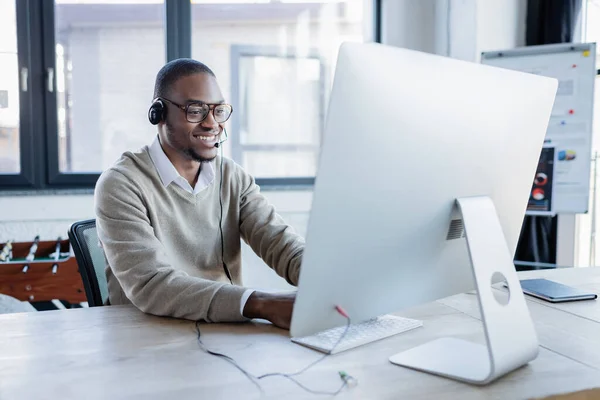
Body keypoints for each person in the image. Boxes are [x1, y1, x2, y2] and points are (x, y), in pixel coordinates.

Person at [94, 58, 305, 329]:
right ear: (158, 114)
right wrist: (262, 303)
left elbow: (280, 243)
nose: (211, 123)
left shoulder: (231, 176)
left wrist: (323, 281)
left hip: (222, 332)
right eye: (195, 110)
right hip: (148, 341)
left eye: (218, 111)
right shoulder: (121, 184)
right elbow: (151, 285)